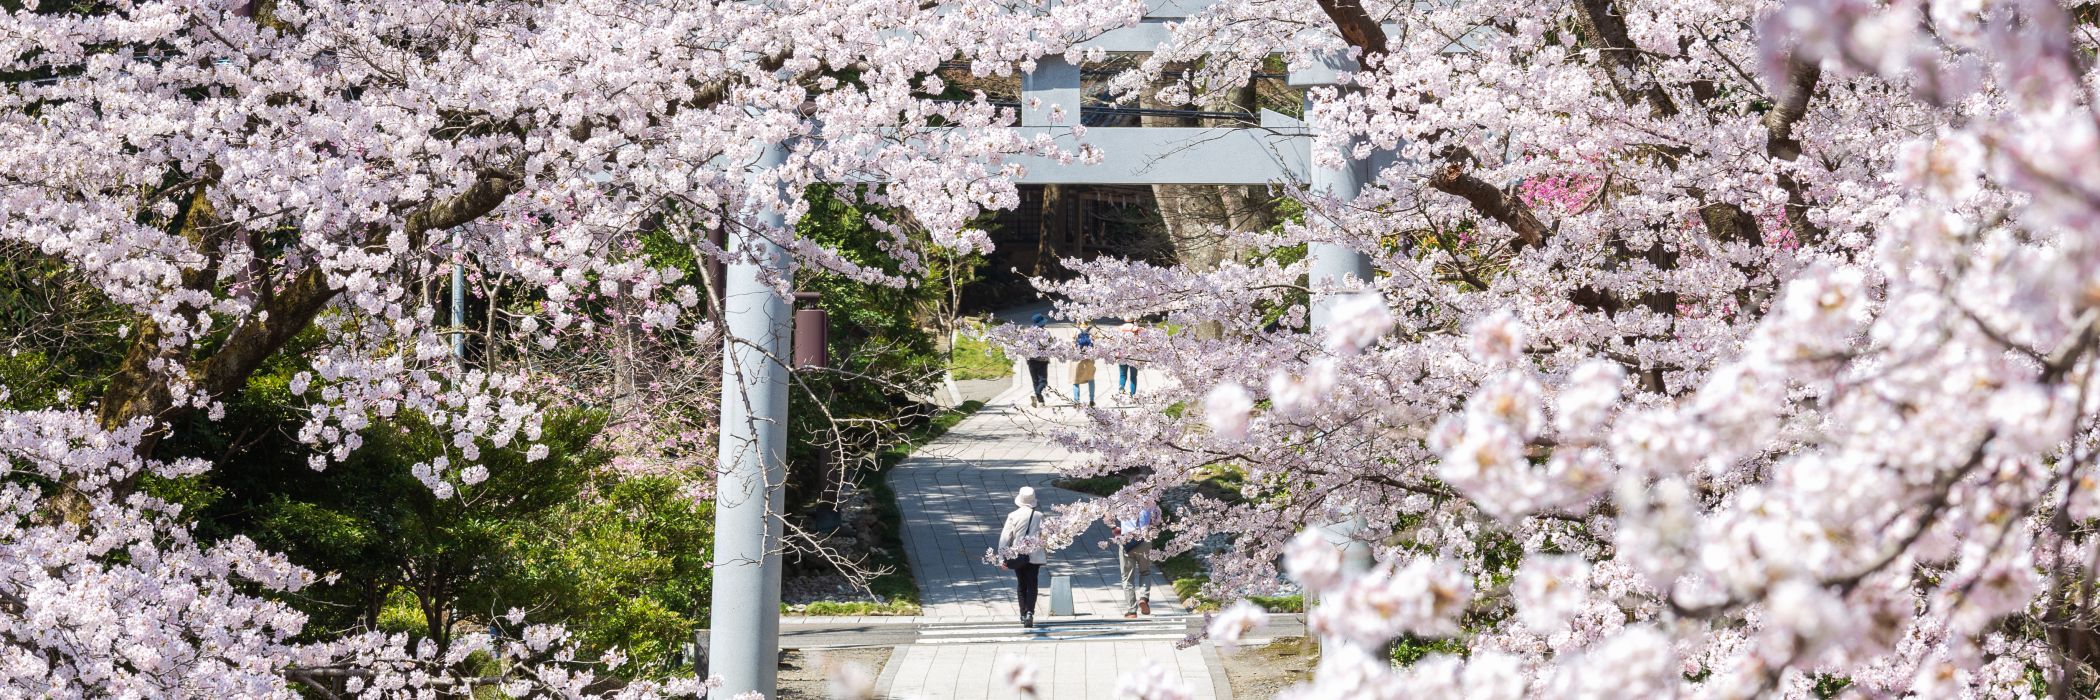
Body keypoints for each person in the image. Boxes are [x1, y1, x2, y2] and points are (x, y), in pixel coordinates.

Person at [997, 486, 1048, 627]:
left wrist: (1001, 558)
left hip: (1017, 554)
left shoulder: (1013, 515)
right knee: (1032, 583)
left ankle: (1022, 613)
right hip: (1035, 554)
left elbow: (1005, 538)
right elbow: (1045, 536)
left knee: (1021, 584)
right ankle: (1030, 612)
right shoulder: (1039, 516)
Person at [1110, 505, 1158, 618]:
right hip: (1144, 540)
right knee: (1145, 571)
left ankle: (1132, 611)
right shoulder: (1148, 501)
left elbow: (1108, 515)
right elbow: (1157, 519)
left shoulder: (1121, 502)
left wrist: (1114, 529)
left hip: (1126, 542)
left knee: (1127, 577)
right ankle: (1144, 598)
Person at [1026, 314, 1051, 407]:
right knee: (1043, 381)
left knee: (1035, 381)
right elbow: (1050, 344)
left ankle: (1040, 401)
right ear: (1042, 323)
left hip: (1031, 359)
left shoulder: (1029, 332)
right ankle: (1036, 394)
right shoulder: (1045, 332)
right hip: (1042, 360)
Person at [1071, 323, 1096, 407]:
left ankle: (1076, 401)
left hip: (1078, 358)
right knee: (1091, 379)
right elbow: (1095, 344)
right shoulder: (1093, 330)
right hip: (1089, 358)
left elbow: (1072, 344)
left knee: (1075, 380)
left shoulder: (1075, 330)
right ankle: (1091, 400)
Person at [1115, 321, 1142, 398]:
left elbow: (1117, 346)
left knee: (1122, 375)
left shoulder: (1121, 332)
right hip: (1133, 357)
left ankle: (1121, 388)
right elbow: (1139, 346)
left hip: (1122, 356)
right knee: (1133, 377)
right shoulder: (1135, 333)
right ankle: (1132, 394)